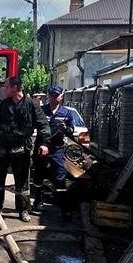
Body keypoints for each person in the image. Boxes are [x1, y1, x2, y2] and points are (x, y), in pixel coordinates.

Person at [0, 75, 51, 222]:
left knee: (22, 182)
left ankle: (23, 210)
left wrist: (44, 143)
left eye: (6, 86)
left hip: (21, 150)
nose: (4, 88)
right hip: (3, 147)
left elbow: (43, 126)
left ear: (15, 88)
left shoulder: (32, 105)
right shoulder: (5, 104)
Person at [31, 85, 74, 218]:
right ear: (48, 96)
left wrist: (66, 129)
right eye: (51, 95)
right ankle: (38, 202)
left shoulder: (66, 113)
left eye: (56, 95)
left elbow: (71, 131)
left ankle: (64, 208)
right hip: (41, 147)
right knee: (38, 175)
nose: (54, 97)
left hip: (57, 149)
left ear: (62, 96)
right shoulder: (41, 111)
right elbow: (32, 125)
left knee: (61, 176)